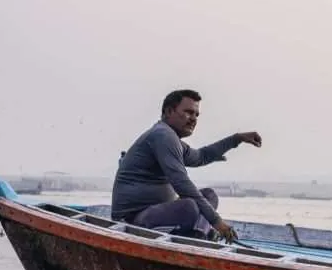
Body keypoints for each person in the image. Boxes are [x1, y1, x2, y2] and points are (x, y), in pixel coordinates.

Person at [111, 89, 262, 242]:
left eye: (196, 115)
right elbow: (182, 184)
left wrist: (237, 139)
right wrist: (217, 222)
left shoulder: (172, 139)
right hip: (132, 219)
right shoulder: (163, 136)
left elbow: (202, 156)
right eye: (189, 112)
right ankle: (201, 236)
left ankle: (199, 235)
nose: (194, 119)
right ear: (169, 111)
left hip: (158, 211)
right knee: (190, 206)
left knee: (209, 195)